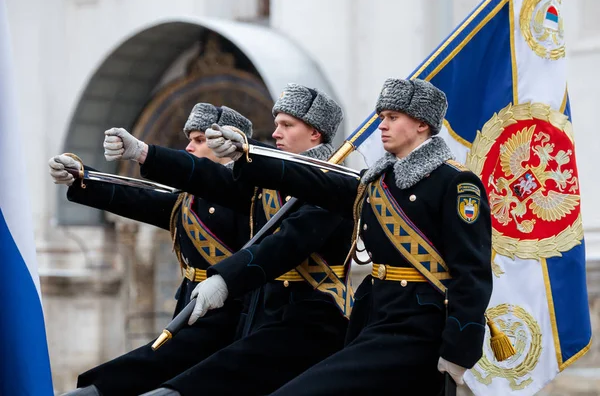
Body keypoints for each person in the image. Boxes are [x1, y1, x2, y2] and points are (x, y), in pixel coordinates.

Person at [210, 78, 494, 395]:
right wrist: (248, 155)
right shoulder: (377, 182)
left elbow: (472, 272)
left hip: (420, 330)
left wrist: (461, 347)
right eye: (381, 117)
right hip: (375, 321)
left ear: (421, 124)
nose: (382, 126)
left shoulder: (456, 182)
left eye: (392, 117)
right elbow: (315, 181)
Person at [104, 83, 354, 396]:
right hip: (263, 313)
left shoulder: (337, 185)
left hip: (314, 317)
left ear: (315, 134)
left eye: (287, 126)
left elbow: (287, 244)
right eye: (275, 124)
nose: (275, 133)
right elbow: (209, 177)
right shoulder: (268, 182)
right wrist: (143, 153)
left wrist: (226, 279)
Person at [50, 104, 252, 396]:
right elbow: (136, 198)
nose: (189, 147)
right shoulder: (187, 200)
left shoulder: (249, 194)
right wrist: (82, 178)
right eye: (189, 139)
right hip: (191, 308)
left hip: (230, 315)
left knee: (152, 371)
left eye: (198, 140)